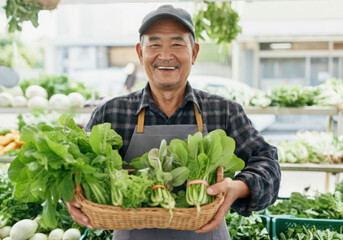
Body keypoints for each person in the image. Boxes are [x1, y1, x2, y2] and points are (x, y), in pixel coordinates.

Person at [65, 4, 281, 240]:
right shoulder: (111, 113)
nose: (165, 55)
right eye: (155, 44)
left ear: (194, 53)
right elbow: (78, 167)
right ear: (140, 53)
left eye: (177, 44)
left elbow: (268, 163)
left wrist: (237, 187)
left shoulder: (224, 111)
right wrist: (72, 193)